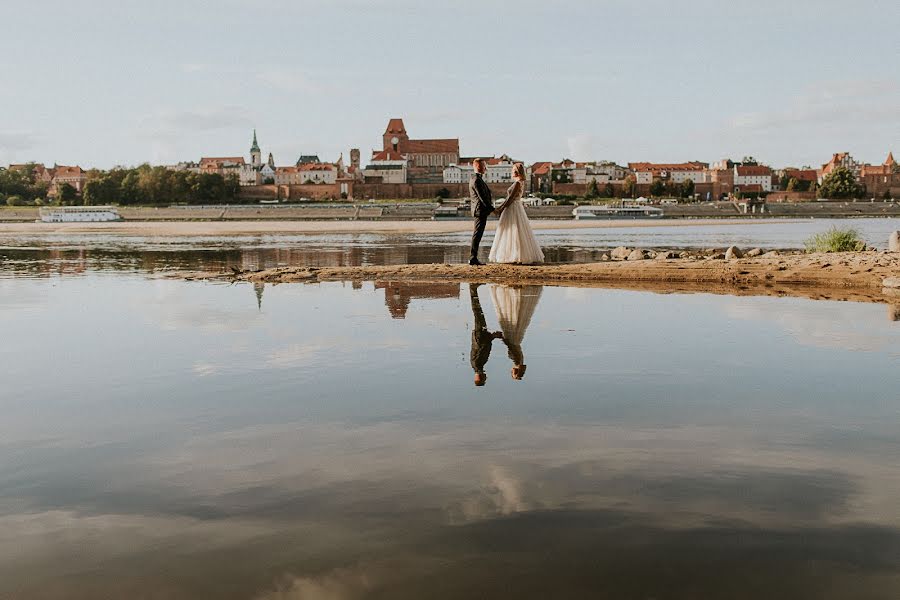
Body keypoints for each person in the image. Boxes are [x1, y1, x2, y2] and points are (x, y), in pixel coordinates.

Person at [489, 162, 545, 264]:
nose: (512, 172)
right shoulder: (520, 182)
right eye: (513, 170)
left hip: (513, 208)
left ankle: (514, 255)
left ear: (519, 172)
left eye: (514, 171)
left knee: (513, 231)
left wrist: (500, 208)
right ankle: (515, 254)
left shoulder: (518, 183)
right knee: (516, 231)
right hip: (516, 207)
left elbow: (510, 198)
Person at [490, 284, 543, 380]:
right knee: (513, 317)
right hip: (513, 338)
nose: (511, 371)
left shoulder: (520, 360)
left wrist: (502, 338)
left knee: (516, 317)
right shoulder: (517, 360)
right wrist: (502, 338)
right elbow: (511, 345)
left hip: (515, 338)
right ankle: (515, 294)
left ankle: (516, 294)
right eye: (513, 373)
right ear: (516, 371)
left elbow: (511, 346)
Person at [470, 282, 503, 386]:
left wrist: (493, 336)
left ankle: (473, 288)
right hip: (480, 334)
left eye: (484, 379)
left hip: (480, 334)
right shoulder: (477, 365)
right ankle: (473, 289)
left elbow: (481, 346)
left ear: (481, 379)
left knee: (477, 310)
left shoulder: (477, 364)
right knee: (478, 311)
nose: (486, 377)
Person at [468, 158, 494, 266]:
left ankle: (473, 257)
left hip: (480, 210)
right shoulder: (477, 180)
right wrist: (493, 209)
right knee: (477, 234)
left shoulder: (476, 178)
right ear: (478, 166)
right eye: (484, 166)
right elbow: (482, 197)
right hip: (479, 211)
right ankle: (472, 258)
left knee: (478, 234)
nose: (486, 168)